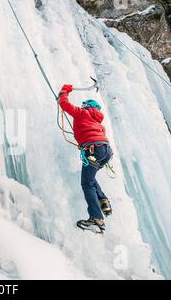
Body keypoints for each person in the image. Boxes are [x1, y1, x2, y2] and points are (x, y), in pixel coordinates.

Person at [58, 84, 113, 234]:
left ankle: (96, 218)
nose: (82, 106)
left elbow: (64, 104)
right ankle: (103, 200)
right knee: (90, 177)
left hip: (93, 149)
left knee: (86, 182)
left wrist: (65, 91)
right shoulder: (98, 123)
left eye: (84, 105)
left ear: (88, 106)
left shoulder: (83, 113)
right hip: (105, 151)